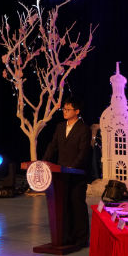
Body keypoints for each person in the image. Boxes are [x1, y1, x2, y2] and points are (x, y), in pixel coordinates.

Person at [42, 99, 92, 248]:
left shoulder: (84, 129)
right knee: (64, 206)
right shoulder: (60, 127)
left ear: (77, 111)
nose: (65, 112)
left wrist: (73, 167)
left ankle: (81, 239)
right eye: (64, 109)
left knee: (77, 204)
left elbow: (83, 152)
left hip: (77, 174)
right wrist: (44, 162)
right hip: (61, 174)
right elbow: (53, 146)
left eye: (68, 109)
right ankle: (67, 237)